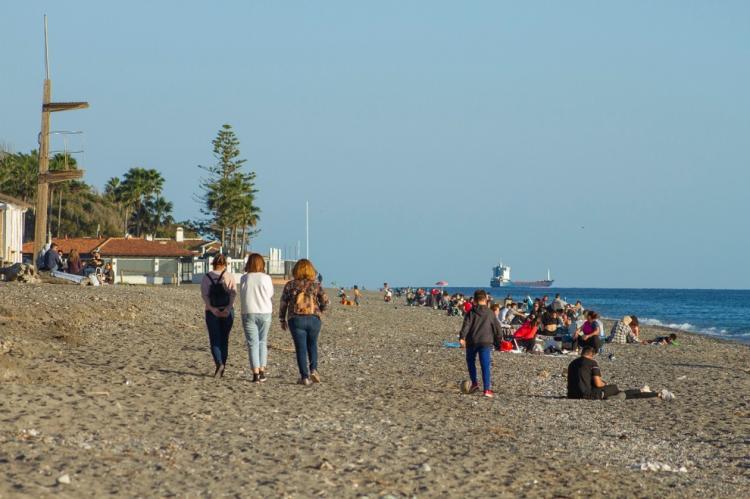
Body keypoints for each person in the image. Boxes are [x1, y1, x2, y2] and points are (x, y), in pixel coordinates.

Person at [279, 259, 330, 386]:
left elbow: (283, 303)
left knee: (300, 348)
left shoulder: (290, 285)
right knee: (312, 344)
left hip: (296, 319)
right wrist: (321, 311)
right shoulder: (316, 285)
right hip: (314, 319)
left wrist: (282, 319)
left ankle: (304, 377)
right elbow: (326, 302)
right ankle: (314, 369)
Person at [567, 347, 673, 400]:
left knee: (616, 392)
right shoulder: (592, 363)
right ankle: (648, 392)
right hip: (586, 395)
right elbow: (598, 384)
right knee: (614, 388)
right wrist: (605, 384)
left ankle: (648, 392)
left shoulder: (572, 363)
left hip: (571, 395)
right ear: (592, 355)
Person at [459, 290, 502, 398]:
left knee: (470, 362)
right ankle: (487, 389)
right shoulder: (490, 313)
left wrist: (462, 337)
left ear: (475, 299)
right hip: (486, 341)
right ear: (485, 299)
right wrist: (498, 342)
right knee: (485, 365)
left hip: (472, 341)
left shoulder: (471, 312)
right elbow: (498, 329)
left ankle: (474, 383)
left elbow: (466, 326)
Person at [201, 254, 237, 377]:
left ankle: (219, 364)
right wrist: (227, 308)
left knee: (214, 339)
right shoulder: (229, 276)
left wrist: (212, 309)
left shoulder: (207, 277)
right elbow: (233, 294)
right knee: (224, 340)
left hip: (212, 312)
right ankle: (223, 367)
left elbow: (205, 295)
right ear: (225, 264)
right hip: (228, 311)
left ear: (213, 263)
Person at [240, 253, 274, 383]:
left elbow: (243, 293)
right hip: (265, 311)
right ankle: (262, 370)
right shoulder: (266, 278)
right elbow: (270, 294)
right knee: (262, 341)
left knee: (252, 344)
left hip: (248, 312)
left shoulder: (244, 278)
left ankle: (255, 373)